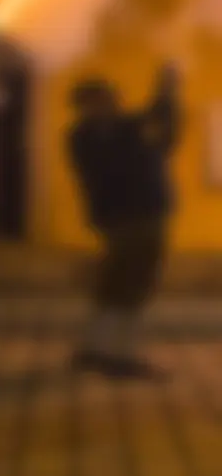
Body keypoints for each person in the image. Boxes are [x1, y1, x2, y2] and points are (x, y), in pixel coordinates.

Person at [67, 65, 179, 378]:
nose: (112, 104)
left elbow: (163, 132)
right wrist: (165, 96)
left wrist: (166, 96)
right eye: (102, 100)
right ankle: (121, 355)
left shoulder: (101, 132)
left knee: (115, 285)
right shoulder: (93, 136)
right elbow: (144, 139)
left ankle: (96, 348)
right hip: (134, 216)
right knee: (132, 286)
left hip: (130, 216)